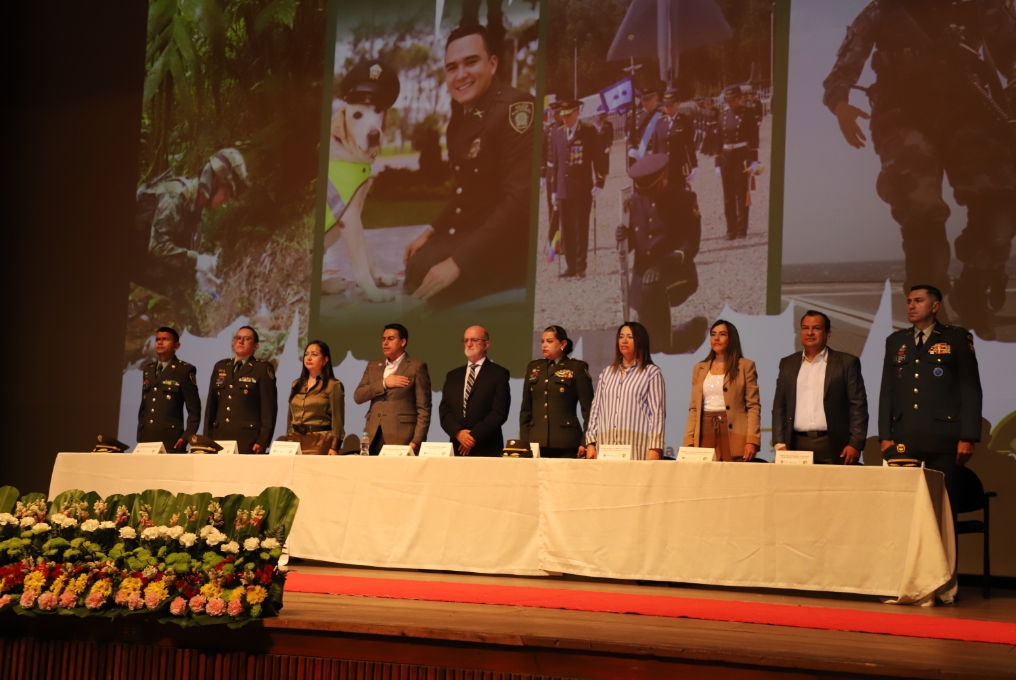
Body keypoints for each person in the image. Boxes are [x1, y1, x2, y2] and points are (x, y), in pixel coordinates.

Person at [823, 1, 1016, 339]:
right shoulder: (882, 11)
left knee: (1000, 207)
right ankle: (930, 317)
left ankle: (974, 288)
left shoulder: (979, 5)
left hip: (970, 111)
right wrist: (840, 104)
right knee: (921, 212)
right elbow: (842, 70)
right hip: (904, 113)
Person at [402, 24, 534, 308]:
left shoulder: (517, 109)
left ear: (493, 63)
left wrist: (458, 262)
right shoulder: (460, 122)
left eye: (470, 62)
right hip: (481, 233)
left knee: (433, 284)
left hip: (513, 244)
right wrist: (431, 230)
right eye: (452, 67)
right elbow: (467, 192)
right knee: (416, 263)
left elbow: (519, 201)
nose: (460, 75)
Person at [879, 285, 983, 507]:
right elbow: (887, 391)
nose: (911, 306)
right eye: (909, 301)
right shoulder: (896, 341)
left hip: (944, 440)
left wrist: (968, 436)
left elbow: (971, 389)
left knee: (942, 509)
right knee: (906, 509)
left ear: (935, 306)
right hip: (905, 439)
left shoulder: (955, 338)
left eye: (918, 301)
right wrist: (885, 435)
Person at [134, 148, 249, 322]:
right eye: (226, 194)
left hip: (139, 262)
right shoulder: (175, 197)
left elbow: (176, 259)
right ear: (215, 182)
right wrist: (197, 260)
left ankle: (194, 340)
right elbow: (157, 247)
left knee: (179, 290)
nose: (225, 202)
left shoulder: (194, 210)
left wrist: (198, 275)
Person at [616, 154, 706, 354]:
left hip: (677, 272)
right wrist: (624, 237)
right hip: (644, 275)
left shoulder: (684, 199)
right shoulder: (636, 199)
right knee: (645, 334)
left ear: (664, 176)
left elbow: (691, 245)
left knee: (655, 344)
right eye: (643, 191)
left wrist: (663, 265)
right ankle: (690, 333)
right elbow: (636, 241)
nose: (647, 195)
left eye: (651, 189)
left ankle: (666, 346)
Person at [772, 311, 869, 465]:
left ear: (828, 333)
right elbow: (779, 406)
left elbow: (858, 406)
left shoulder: (847, 363)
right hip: (796, 446)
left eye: (816, 328)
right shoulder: (787, 364)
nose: (810, 332)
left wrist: (855, 443)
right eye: (805, 328)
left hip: (834, 446)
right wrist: (779, 442)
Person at [582, 322, 665, 460]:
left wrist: (655, 448)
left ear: (640, 341)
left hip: (636, 448)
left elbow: (657, 413)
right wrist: (590, 443)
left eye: (630, 337)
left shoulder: (651, 373)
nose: (624, 340)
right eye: (621, 336)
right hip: (606, 447)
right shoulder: (607, 373)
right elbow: (596, 409)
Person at [683, 319, 761, 461]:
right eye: (713, 334)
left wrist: (752, 440)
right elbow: (694, 408)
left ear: (731, 339)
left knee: (733, 479)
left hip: (735, 433)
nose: (716, 338)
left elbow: (753, 406)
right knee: (705, 479)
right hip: (704, 432)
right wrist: (689, 439)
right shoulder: (699, 368)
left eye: (722, 334)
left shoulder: (745, 366)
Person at [353, 323, 432, 455]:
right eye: (383, 339)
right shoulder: (373, 365)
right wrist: (384, 383)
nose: (385, 343)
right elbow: (358, 396)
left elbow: (424, 408)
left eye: (390, 339)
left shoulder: (416, 367)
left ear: (402, 342)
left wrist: (417, 440)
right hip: (373, 435)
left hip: (402, 436)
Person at [549, 100, 607, 278]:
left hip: (582, 187)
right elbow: (556, 164)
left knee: (580, 226)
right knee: (566, 228)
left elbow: (598, 158)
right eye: (563, 115)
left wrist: (599, 182)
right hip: (563, 188)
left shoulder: (588, 131)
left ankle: (581, 265)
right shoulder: (558, 133)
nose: (564, 118)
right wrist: (553, 190)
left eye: (568, 115)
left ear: (576, 113)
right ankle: (571, 265)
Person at [519, 326, 595, 458]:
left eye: (549, 341)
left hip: (566, 441)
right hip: (536, 441)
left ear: (563, 344)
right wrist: (525, 441)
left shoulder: (576, 367)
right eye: (542, 342)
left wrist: (586, 442)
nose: (544, 345)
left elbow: (589, 410)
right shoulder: (534, 367)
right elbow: (526, 409)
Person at [204, 326, 278, 455]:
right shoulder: (221, 366)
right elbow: (211, 406)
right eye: (238, 338)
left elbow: (269, 409)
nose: (241, 341)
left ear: (256, 345)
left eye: (246, 339)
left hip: (247, 439)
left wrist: (263, 440)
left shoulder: (261, 369)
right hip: (219, 436)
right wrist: (207, 437)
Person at [438, 325, 511, 456]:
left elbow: (499, 412)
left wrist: (472, 437)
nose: (469, 344)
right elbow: (445, 410)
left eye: (474, 340)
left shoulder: (499, 374)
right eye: (466, 340)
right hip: (457, 446)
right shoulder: (453, 376)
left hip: (487, 447)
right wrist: (459, 433)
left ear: (486, 344)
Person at [137, 327, 201, 453]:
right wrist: (140, 433)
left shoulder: (184, 370)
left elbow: (195, 410)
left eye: (165, 339)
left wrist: (186, 436)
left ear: (176, 345)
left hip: (172, 440)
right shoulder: (148, 369)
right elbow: (144, 407)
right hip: (146, 439)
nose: (160, 343)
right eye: (158, 340)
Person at [714, 86, 761, 240]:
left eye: (733, 100)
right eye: (728, 100)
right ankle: (730, 230)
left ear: (739, 98)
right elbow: (718, 140)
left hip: (741, 155)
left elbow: (754, 138)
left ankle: (741, 230)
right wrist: (717, 163)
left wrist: (754, 160)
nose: (730, 103)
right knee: (728, 195)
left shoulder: (747, 114)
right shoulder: (723, 116)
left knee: (741, 194)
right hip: (727, 155)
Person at [286, 341, 345, 455]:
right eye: (306, 354)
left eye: (314, 354)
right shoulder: (296, 384)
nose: (308, 358)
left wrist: (334, 446)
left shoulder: (333, 385)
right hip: (295, 442)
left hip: (320, 442)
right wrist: (289, 437)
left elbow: (338, 420)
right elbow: (290, 417)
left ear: (325, 360)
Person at [652, 88, 698, 185]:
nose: (668, 109)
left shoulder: (685, 121)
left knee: (679, 197)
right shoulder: (659, 122)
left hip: (679, 169)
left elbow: (690, 145)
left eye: (671, 106)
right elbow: (655, 148)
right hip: (663, 170)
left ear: (678, 103)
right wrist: (654, 168)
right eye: (666, 106)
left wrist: (694, 165)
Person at [627, 84, 663, 166]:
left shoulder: (662, 115)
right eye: (643, 100)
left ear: (656, 97)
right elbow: (630, 138)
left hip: (657, 158)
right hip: (640, 159)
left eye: (648, 99)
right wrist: (630, 149)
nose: (645, 103)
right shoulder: (636, 117)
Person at [593, 106, 614, 176]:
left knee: (605, 159)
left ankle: (605, 172)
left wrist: (609, 145)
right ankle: (598, 172)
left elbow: (610, 136)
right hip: (597, 146)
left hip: (605, 145)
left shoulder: (608, 125)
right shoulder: (594, 126)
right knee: (597, 160)